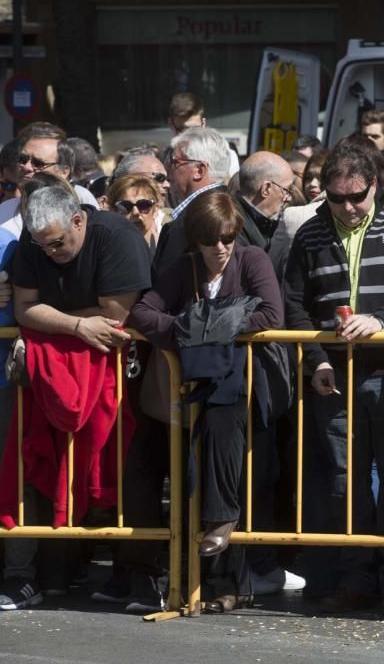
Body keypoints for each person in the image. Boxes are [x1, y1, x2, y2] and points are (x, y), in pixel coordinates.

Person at [283, 141, 384, 616]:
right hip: (336, 373)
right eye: (336, 198)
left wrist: (383, 320)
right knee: (345, 482)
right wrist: (317, 359)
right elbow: (293, 304)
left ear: (376, 186)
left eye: (357, 197)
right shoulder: (308, 234)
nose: (347, 208)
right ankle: (355, 578)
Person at [0, 183, 151, 610]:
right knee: (38, 465)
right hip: (50, 379)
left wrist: (56, 319)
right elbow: (26, 309)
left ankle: (133, 573)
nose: (51, 252)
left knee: (113, 471)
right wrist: (80, 327)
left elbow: (116, 315)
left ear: (79, 220)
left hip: (117, 379)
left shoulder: (116, 235)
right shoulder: (36, 242)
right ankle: (41, 575)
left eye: (59, 243)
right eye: (43, 245)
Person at [130, 192, 283, 611]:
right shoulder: (184, 268)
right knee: (187, 475)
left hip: (244, 386)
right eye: (211, 241)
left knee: (226, 440)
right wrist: (192, 327)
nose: (220, 248)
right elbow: (143, 314)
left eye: (228, 239)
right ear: (195, 241)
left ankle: (226, 549)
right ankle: (197, 577)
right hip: (194, 387)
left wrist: (209, 325)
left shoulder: (251, 260)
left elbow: (272, 314)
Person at [152, 127, 233, 277]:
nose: (167, 169)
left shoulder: (195, 217)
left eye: (174, 162)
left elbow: (167, 285)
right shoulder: (230, 205)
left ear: (199, 170)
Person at [105, 174, 165, 255]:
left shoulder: (166, 248)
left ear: (155, 210)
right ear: (113, 211)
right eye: (126, 206)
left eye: (143, 205)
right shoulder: (106, 251)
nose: (135, 212)